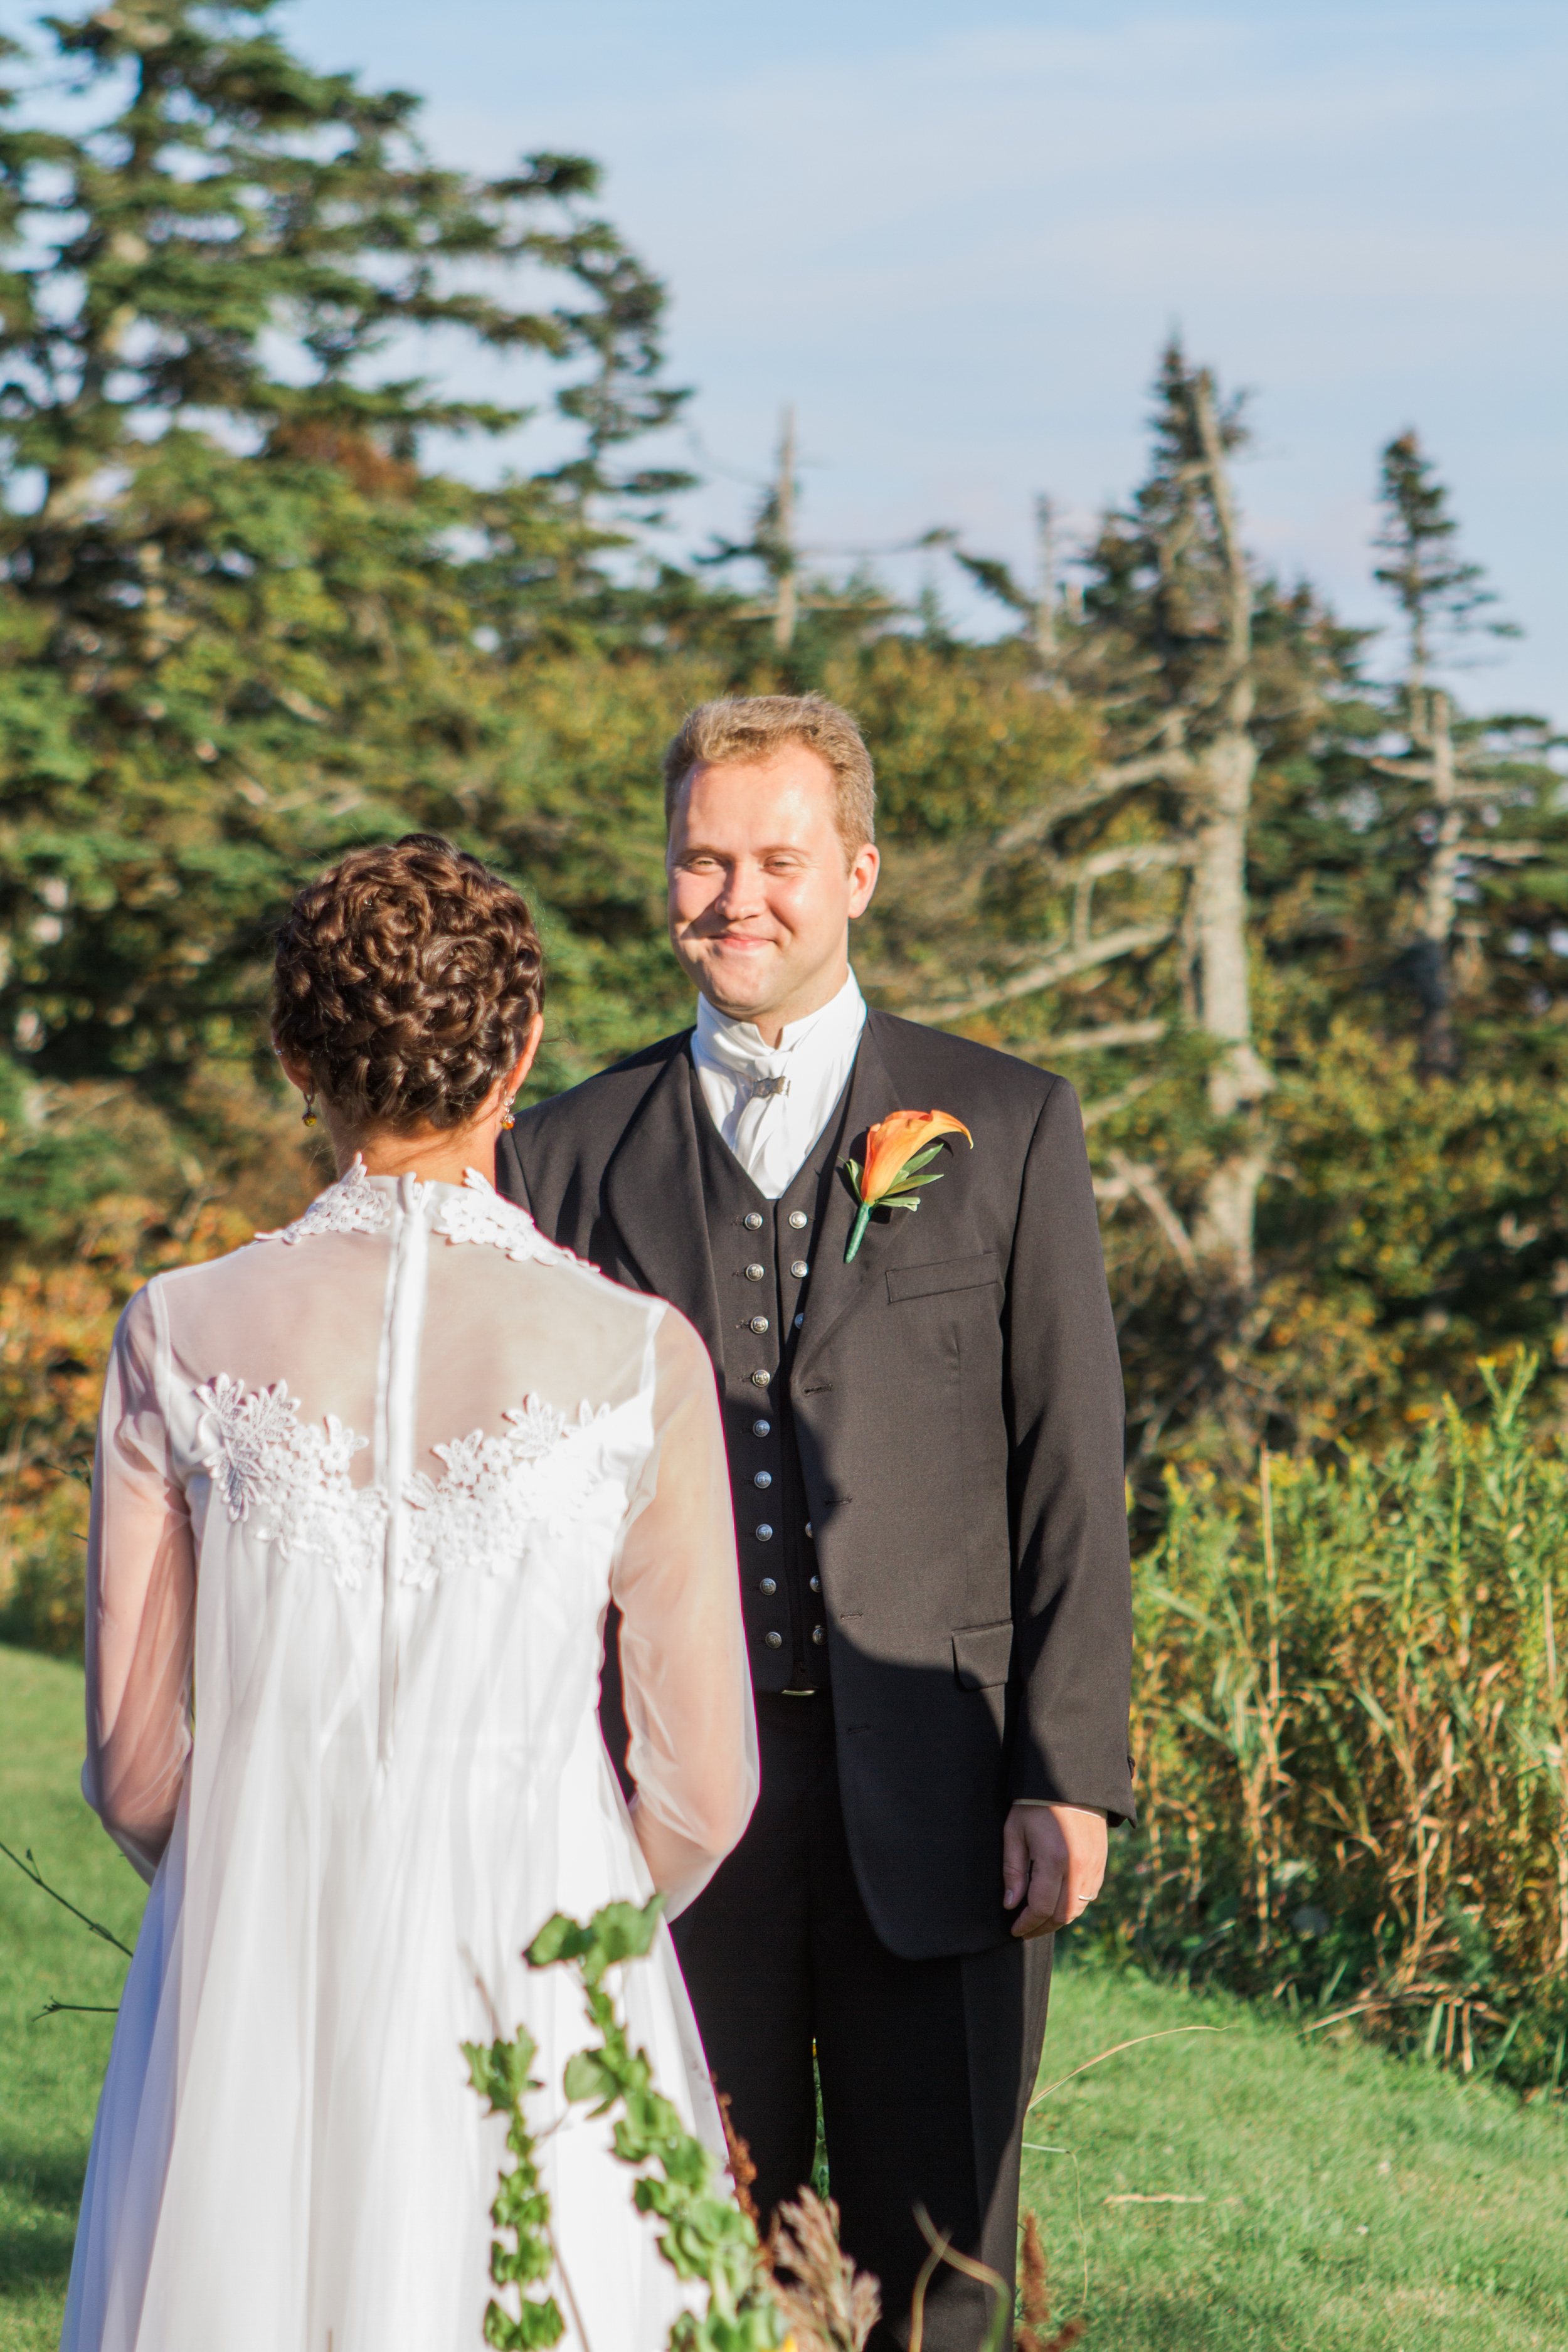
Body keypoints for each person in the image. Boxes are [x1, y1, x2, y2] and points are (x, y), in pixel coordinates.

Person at [64, 835, 757, 2352]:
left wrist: (264, 1883)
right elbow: (702, 1790)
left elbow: (131, 1767)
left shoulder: (173, 1331)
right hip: (544, 1971)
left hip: (257, 1981)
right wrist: (562, 1906)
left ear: (295, 1056)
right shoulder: (640, 1357)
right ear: (516, 1059)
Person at [501, 696, 1135, 2351]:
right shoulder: (565, 1155)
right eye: (702, 859)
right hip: (667, 1807)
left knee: (942, 2275)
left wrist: (1063, 1772)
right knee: (689, 2246)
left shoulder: (1007, 1123)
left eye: (774, 858)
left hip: (944, 1800)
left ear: (854, 870)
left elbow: (1068, 1464)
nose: (735, 896)